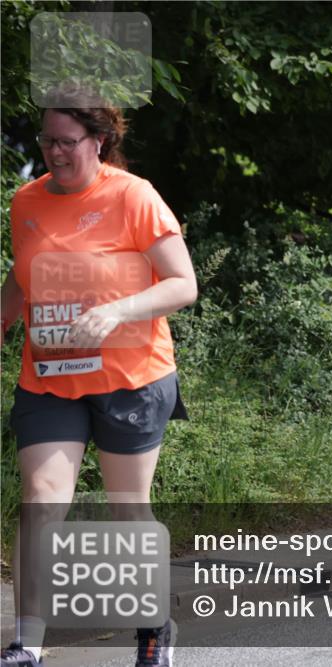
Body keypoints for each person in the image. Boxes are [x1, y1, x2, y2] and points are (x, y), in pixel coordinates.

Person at [1, 86, 197, 667]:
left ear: (100, 141)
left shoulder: (134, 197)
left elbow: (182, 284)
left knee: (127, 509)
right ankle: (25, 644)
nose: (54, 152)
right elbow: (24, 272)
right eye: (46, 140)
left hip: (131, 377)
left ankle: (154, 626)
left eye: (67, 141)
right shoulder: (26, 202)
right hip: (50, 377)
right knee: (40, 501)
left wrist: (116, 310)